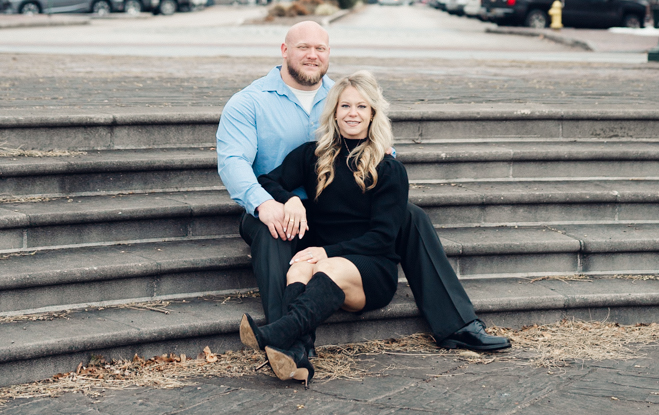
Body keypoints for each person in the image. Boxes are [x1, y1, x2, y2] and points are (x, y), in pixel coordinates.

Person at [216, 19, 509, 355]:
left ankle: (457, 324)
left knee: (409, 216)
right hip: (274, 203)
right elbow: (233, 162)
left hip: (332, 203)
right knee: (275, 227)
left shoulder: (341, 93)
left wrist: (381, 157)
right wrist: (268, 203)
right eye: (303, 48)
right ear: (285, 51)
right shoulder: (250, 101)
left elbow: (372, 147)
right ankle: (292, 344)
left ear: (328, 54)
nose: (312, 55)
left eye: (320, 49)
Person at [239, 71, 407, 385]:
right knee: (298, 269)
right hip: (325, 259)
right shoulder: (313, 155)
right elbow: (267, 181)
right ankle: (298, 357)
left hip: (370, 269)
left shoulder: (388, 169)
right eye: (345, 106)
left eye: (361, 107)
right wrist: (290, 200)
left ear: (373, 114)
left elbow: (383, 238)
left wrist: (326, 252)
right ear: (334, 112)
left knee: (323, 266)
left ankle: (276, 333)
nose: (352, 113)